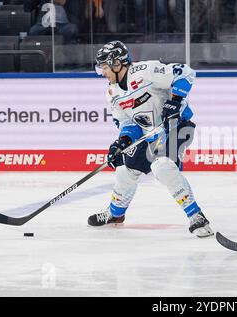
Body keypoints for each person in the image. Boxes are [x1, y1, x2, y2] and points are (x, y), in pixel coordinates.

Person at [88, 41, 214, 238]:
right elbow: (128, 123)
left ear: (117, 63)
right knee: (124, 170)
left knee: (162, 166)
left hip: (176, 127)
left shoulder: (145, 70)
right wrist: (122, 142)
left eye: (104, 67)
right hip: (150, 134)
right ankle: (115, 214)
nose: (102, 72)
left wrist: (175, 100)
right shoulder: (112, 93)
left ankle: (196, 216)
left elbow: (186, 72)